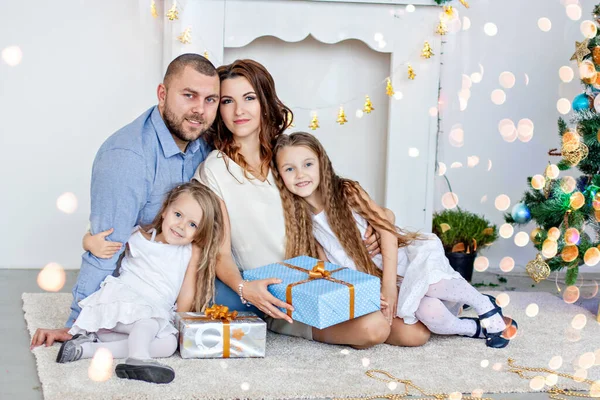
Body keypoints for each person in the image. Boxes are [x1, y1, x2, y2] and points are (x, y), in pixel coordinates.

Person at [194, 59, 428, 348]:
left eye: (249, 98)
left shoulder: (285, 156)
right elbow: (220, 253)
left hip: (323, 278)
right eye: (228, 101)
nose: (239, 110)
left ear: (264, 102)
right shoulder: (215, 169)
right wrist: (245, 289)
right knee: (375, 329)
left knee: (415, 333)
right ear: (218, 108)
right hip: (281, 296)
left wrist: (378, 226)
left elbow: (336, 198)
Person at [30, 53, 220, 347]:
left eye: (211, 100)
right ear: (162, 94)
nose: (200, 110)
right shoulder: (126, 160)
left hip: (181, 277)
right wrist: (77, 323)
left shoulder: (202, 140)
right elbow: (106, 247)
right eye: (189, 95)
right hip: (136, 287)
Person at [272, 132, 519, 349]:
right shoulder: (303, 220)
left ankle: (483, 304)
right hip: (371, 281)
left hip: (397, 265)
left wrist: (389, 286)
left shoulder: (345, 192)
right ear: (280, 175)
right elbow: (329, 269)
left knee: (429, 282)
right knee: (424, 317)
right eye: (289, 169)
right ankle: (471, 328)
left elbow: (386, 229)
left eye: (307, 164)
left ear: (321, 164)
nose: (300, 174)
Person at [55, 182, 224, 384]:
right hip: (118, 307)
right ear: (165, 211)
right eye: (177, 215)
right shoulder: (138, 236)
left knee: (169, 344)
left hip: (124, 329)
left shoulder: (189, 251)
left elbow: (187, 290)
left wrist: (178, 319)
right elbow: (100, 237)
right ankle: (139, 358)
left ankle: (85, 349)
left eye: (192, 224)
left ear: (200, 232)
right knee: (147, 323)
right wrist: (88, 242)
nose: (181, 226)